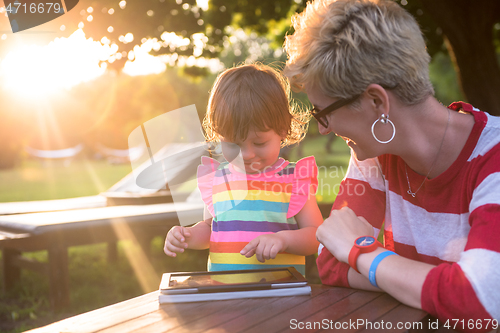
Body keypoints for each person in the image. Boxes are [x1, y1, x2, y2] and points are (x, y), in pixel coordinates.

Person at [283, 0, 499, 331]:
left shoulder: (493, 157)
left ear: (376, 102)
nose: (323, 128)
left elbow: (481, 301)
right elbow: (331, 261)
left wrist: (365, 255)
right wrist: (438, 282)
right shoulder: (375, 156)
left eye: (322, 112)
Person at [164, 64, 323, 276]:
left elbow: (317, 236)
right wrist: (188, 235)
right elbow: (210, 229)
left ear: (282, 130)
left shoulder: (294, 179)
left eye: (259, 143)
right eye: (233, 144)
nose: (246, 154)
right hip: (225, 296)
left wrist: (283, 240)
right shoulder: (218, 179)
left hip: (280, 296)